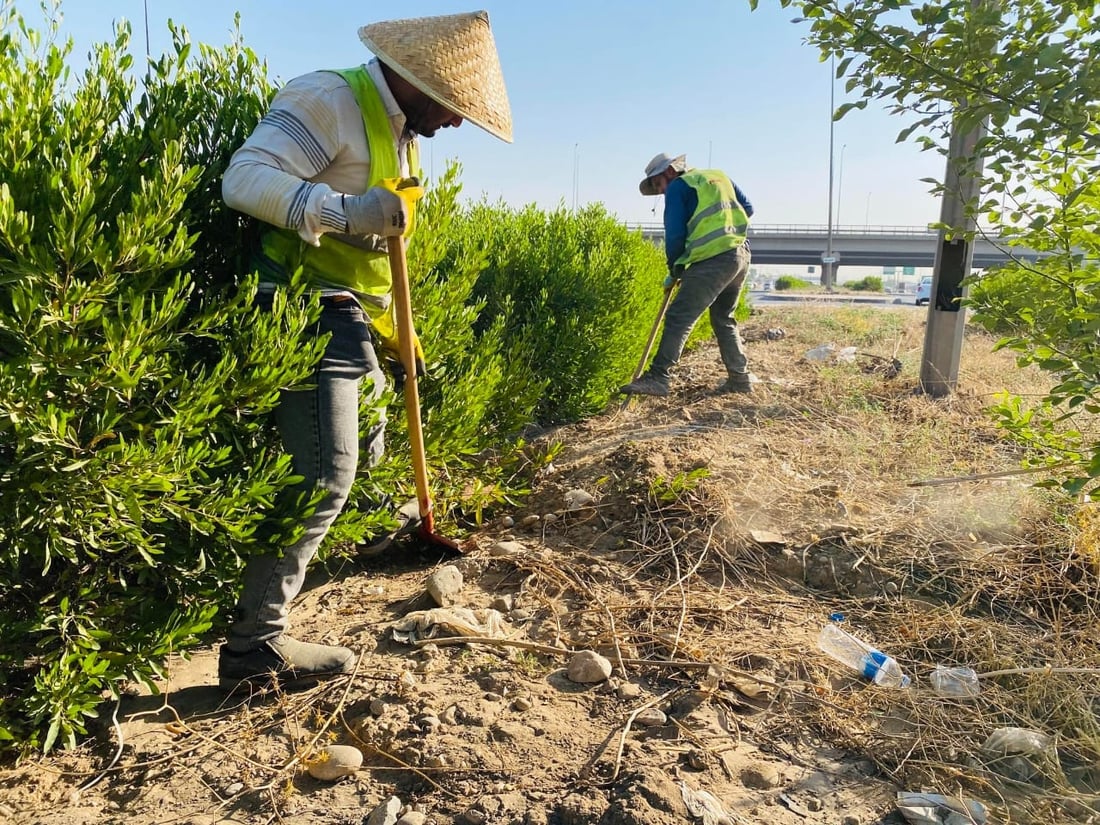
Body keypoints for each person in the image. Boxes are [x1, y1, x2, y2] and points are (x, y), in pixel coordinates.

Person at [218, 11, 512, 692]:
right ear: (414, 79)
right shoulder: (330, 99)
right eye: (455, 105)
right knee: (326, 473)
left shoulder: (404, 135)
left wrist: (396, 334)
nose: (459, 123)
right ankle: (252, 651)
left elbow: (379, 252)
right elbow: (244, 178)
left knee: (368, 450)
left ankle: (365, 541)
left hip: (351, 315)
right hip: (303, 304)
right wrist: (350, 213)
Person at [622, 153, 755, 397]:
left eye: (659, 185)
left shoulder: (678, 187)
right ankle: (740, 379)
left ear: (670, 171)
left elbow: (674, 235)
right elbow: (748, 208)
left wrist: (675, 268)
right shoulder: (719, 176)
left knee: (678, 317)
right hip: (740, 255)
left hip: (713, 260)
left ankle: (659, 377)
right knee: (724, 318)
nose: (662, 192)